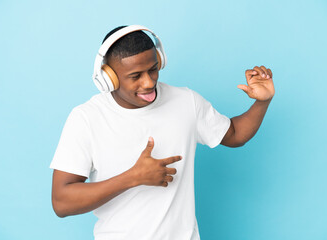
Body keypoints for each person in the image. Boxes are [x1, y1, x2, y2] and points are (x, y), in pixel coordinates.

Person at [50, 25, 275, 240]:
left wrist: (262, 103)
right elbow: (61, 202)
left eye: (153, 69)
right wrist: (133, 177)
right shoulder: (86, 119)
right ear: (109, 78)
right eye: (135, 76)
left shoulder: (186, 101)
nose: (149, 82)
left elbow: (235, 134)